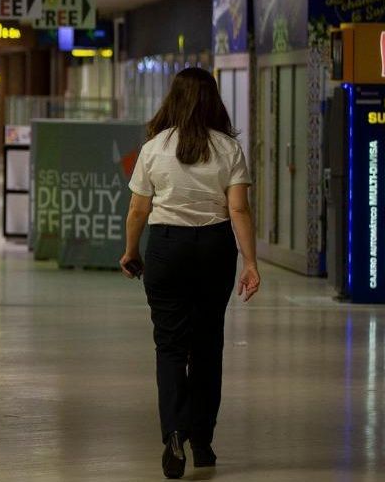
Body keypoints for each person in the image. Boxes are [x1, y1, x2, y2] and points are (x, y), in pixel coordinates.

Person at [119, 67, 261, 479]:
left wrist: (131, 252)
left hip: (167, 247)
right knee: (207, 346)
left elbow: (138, 210)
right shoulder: (228, 148)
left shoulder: (154, 148)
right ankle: (202, 440)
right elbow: (238, 210)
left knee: (169, 346)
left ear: (173, 99)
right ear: (213, 99)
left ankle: (173, 434)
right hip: (215, 248)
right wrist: (250, 262)